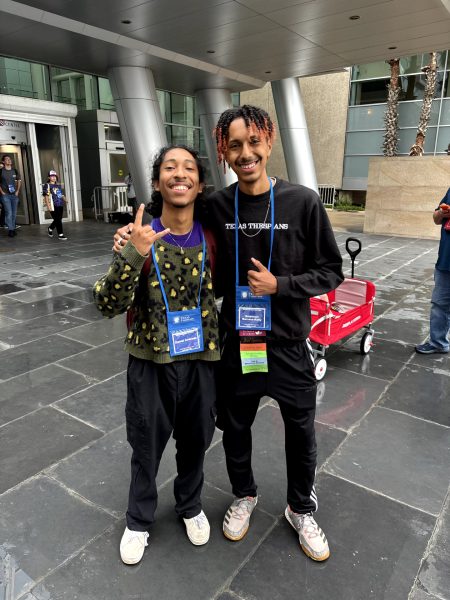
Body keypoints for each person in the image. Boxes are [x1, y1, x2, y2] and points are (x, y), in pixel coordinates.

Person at [208, 105, 344, 562]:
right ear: (224, 151)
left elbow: (330, 271)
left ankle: (301, 507)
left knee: (301, 432)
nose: (245, 153)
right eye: (235, 145)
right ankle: (244, 495)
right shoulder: (218, 206)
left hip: (288, 344)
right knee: (235, 426)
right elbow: (175, 220)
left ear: (268, 143)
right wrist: (135, 234)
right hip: (239, 343)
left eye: (253, 142)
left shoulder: (302, 202)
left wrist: (280, 286)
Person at [93, 145, 220, 566]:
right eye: (170, 167)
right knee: (145, 445)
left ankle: (189, 504)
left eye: (189, 168)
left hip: (200, 362)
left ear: (199, 185)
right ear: (157, 182)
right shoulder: (137, 236)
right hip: (149, 363)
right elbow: (107, 304)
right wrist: (134, 252)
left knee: (196, 442)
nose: (179, 174)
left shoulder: (213, 237)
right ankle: (138, 520)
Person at [415, 189, 450, 354]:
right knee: (439, 304)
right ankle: (438, 343)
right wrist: (442, 213)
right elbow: (436, 218)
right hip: (445, 260)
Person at [43, 170, 68, 240]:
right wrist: (48, 206)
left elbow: (60, 194)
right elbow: (46, 196)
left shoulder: (58, 185)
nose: (54, 178)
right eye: (52, 176)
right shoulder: (47, 185)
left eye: (55, 176)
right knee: (58, 220)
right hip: (53, 205)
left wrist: (65, 199)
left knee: (58, 219)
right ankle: (60, 234)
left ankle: (50, 228)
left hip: (60, 204)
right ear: (49, 177)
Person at [0, 155, 21, 238]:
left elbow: (19, 181)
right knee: (9, 212)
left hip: (14, 195)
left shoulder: (14, 170)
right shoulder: (1, 171)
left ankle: (12, 227)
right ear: (3, 162)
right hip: (5, 195)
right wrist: (2, 192)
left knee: (14, 213)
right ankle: (11, 230)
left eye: (9, 159)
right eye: (7, 159)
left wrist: (17, 191)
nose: (9, 160)